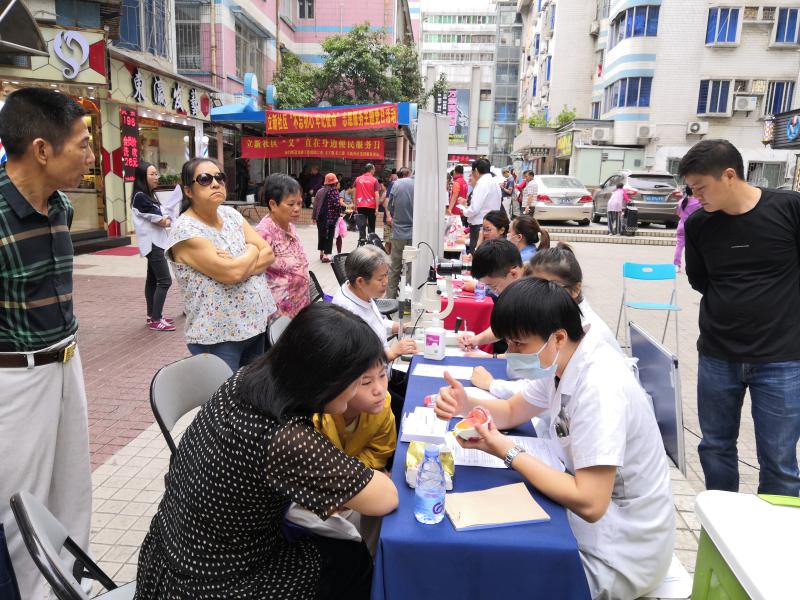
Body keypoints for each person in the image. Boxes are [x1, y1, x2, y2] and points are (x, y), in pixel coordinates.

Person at [134, 304, 399, 600]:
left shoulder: (247, 381)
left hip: (170, 552)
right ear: (325, 379)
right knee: (351, 559)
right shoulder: (285, 439)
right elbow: (385, 498)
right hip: (215, 583)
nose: (362, 389)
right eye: (359, 380)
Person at [435, 278, 675, 599]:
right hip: (590, 521)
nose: (510, 354)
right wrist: (465, 403)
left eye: (519, 345)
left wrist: (507, 451)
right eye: (508, 343)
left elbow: (590, 502)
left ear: (558, 337)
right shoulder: (561, 361)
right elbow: (511, 410)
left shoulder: (600, 388)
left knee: (495, 568)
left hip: (618, 552)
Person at [0, 87, 95, 599]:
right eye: (82, 144)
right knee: (17, 506)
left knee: (72, 488)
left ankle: (68, 585)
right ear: (41, 149)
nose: (91, 156)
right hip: (14, 380)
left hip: (65, 361)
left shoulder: (61, 206)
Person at [680, 138, 800, 496]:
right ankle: (720, 523)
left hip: (781, 358)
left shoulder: (789, 209)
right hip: (718, 355)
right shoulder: (700, 224)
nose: (696, 196)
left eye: (701, 187)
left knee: (779, 461)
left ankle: (776, 530)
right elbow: (699, 280)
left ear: (729, 176)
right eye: (691, 189)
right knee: (715, 448)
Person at [469, 243, 624, 399]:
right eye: (533, 288)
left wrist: (492, 384)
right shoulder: (554, 317)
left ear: (575, 289)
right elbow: (540, 388)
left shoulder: (590, 335)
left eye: (549, 287)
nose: (538, 296)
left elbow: (545, 394)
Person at [166, 158, 277, 371]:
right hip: (219, 336)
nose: (216, 184)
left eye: (220, 177)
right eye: (205, 179)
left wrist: (241, 262)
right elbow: (232, 273)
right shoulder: (185, 230)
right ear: (188, 191)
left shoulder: (231, 214)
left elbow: (268, 253)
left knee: (253, 388)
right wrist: (252, 250)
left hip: (255, 324)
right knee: (225, 392)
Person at [333, 245, 417, 362]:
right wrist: (392, 352)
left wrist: (397, 327)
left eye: (386, 275)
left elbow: (373, 324)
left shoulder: (360, 291)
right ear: (360, 281)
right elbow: (359, 361)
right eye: (380, 279)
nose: (385, 282)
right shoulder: (346, 313)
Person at [313, 359, 396, 471]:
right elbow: (318, 467)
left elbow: (379, 452)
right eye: (366, 382)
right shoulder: (316, 420)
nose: (380, 390)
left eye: (382, 375)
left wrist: (356, 471)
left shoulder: (382, 404)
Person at [255, 174, 310, 321]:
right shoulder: (263, 233)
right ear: (273, 204)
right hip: (279, 313)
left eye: (299, 203)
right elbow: (253, 272)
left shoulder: (290, 226)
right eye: (291, 204)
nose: (297, 209)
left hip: (300, 305)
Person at [130, 161, 175, 331]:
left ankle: (152, 316)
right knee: (165, 281)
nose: (157, 177)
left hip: (155, 243)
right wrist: (169, 218)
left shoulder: (147, 195)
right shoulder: (141, 197)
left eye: (157, 174)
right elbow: (161, 220)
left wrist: (166, 217)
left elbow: (161, 216)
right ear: (143, 177)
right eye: (152, 174)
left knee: (153, 280)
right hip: (153, 244)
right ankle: (156, 319)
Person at [460, 158, 501, 252]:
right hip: (492, 224)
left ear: (476, 170)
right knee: (487, 253)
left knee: (477, 254)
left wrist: (465, 211)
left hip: (480, 225)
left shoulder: (482, 183)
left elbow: (474, 209)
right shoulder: (494, 183)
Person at [386, 167, 414, 299]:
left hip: (398, 233)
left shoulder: (396, 184)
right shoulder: (420, 186)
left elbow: (390, 207)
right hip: (414, 234)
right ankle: (407, 301)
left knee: (394, 268)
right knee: (410, 269)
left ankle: (389, 300)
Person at [313, 173, 340, 263]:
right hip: (330, 218)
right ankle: (326, 256)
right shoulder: (334, 192)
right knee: (329, 235)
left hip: (320, 217)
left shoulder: (319, 191)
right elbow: (337, 205)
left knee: (321, 234)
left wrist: (314, 217)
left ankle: (321, 253)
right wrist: (339, 214)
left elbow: (315, 205)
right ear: (334, 182)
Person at [673, 186, 702, 272]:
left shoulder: (681, 201)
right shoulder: (698, 202)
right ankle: (693, 266)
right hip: (693, 227)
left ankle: (676, 265)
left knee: (679, 246)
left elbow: (678, 213)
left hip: (681, 226)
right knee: (693, 248)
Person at [354, 163, 383, 234]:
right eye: (374, 169)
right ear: (371, 170)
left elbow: (355, 192)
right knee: (371, 226)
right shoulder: (374, 180)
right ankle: (371, 239)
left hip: (360, 205)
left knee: (361, 225)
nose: (374, 171)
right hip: (371, 206)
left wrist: (355, 205)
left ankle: (362, 239)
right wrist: (377, 208)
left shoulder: (358, 179)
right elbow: (377, 195)